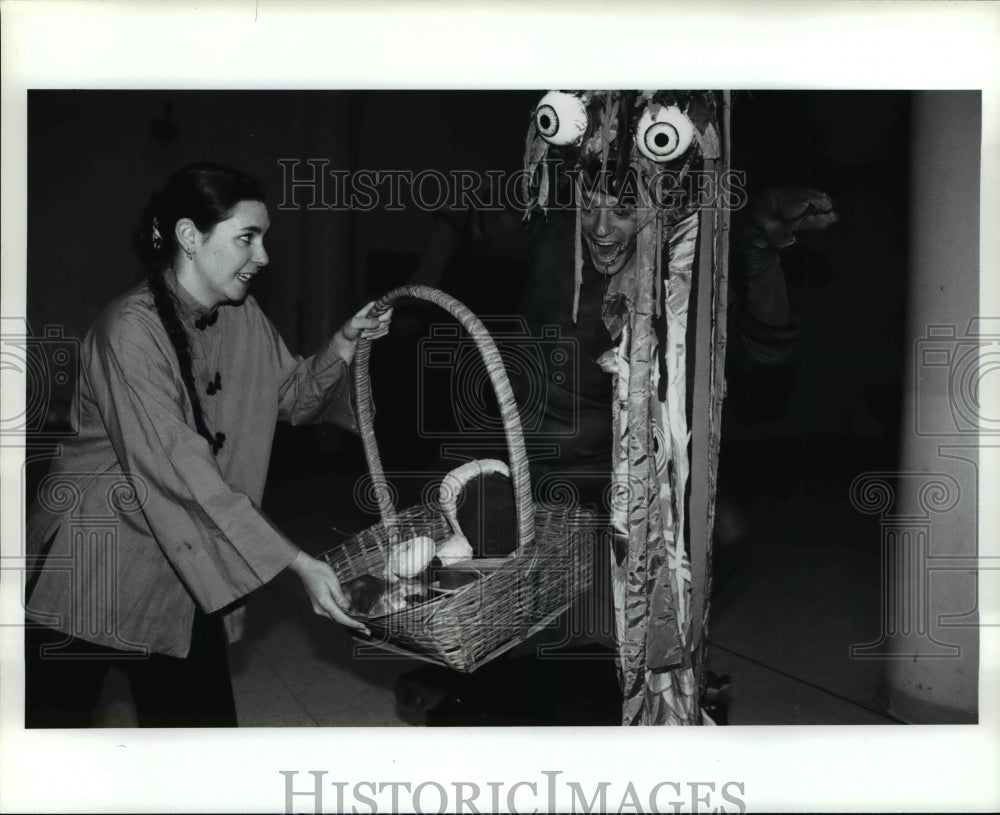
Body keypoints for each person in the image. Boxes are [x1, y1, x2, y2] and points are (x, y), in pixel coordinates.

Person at [407, 91, 836, 725]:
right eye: (591, 208)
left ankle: (627, 664)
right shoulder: (548, 231)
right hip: (534, 467)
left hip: (636, 478)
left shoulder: (680, 274)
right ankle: (498, 664)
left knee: (726, 535)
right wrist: (415, 303)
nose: (602, 228)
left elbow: (764, 357)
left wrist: (760, 254)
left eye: (625, 209)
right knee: (484, 538)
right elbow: (458, 218)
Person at [23, 162, 391, 728]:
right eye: (248, 237)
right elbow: (180, 467)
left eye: (264, 238)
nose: (263, 256)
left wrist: (342, 343)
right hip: (92, 566)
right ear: (191, 238)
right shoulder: (129, 329)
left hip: (186, 558)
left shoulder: (242, 315)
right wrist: (295, 563)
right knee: (44, 745)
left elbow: (294, 396)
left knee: (201, 743)